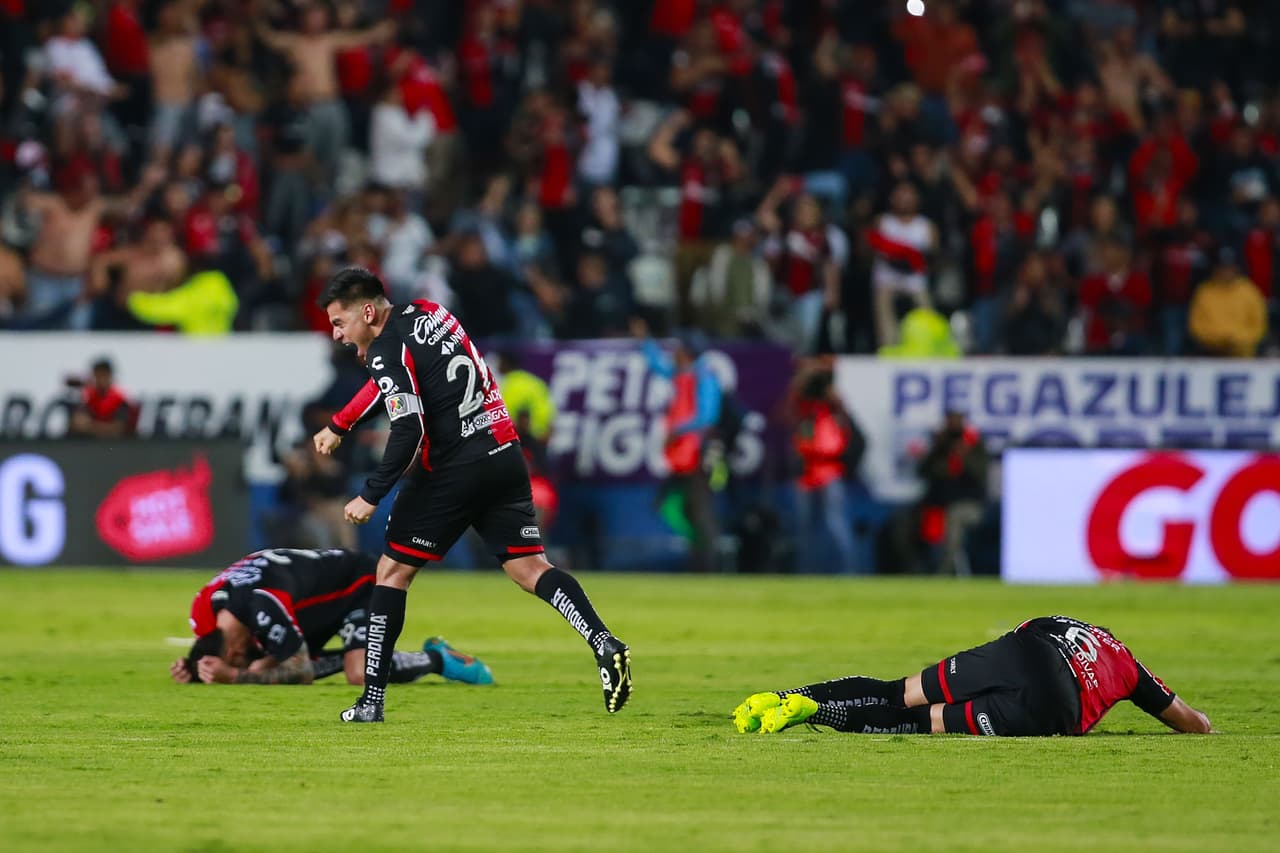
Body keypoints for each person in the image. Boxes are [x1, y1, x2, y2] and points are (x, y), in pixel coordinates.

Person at [313, 268, 631, 722]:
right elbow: (389, 380)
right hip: (502, 453)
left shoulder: (385, 350)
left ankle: (371, 702)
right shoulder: (431, 312)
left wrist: (371, 493)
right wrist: (341, 424)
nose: (337, 334)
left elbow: (409, 426)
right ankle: (603, 641)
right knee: (528, 567)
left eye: (339, 322)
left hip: (452, 469)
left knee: (391, 573)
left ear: (367, 311)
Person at [733, 615, 1213, 737]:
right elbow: (1188, 721)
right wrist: (1205, 722)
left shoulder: (1063, 623)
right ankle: (816, 713)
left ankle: (781, 695)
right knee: (928, 723)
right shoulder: (1129, 666)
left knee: (900, 694)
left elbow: (1019, 632)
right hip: (1057, 706)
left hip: (1023, 650)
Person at [172, 548, 492, 688]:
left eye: (234, 662)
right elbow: (212, 646)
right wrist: (194, 667)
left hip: (359, 584)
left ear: (233, 652)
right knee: (269, 660)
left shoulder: (263, 604)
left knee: (360, 674)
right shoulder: (204, 612)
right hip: (309, 605)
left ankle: (437, 658)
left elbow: (301, 671)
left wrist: (238, 677)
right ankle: (372, 654)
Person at [67, 357, 136, 438]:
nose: (99, 380)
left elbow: (119, 429)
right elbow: (76, 422)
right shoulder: (89, 397)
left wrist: (90, 426)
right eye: (96, 376)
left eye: (102, 375)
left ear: (110, 376)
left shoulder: (119, 400)